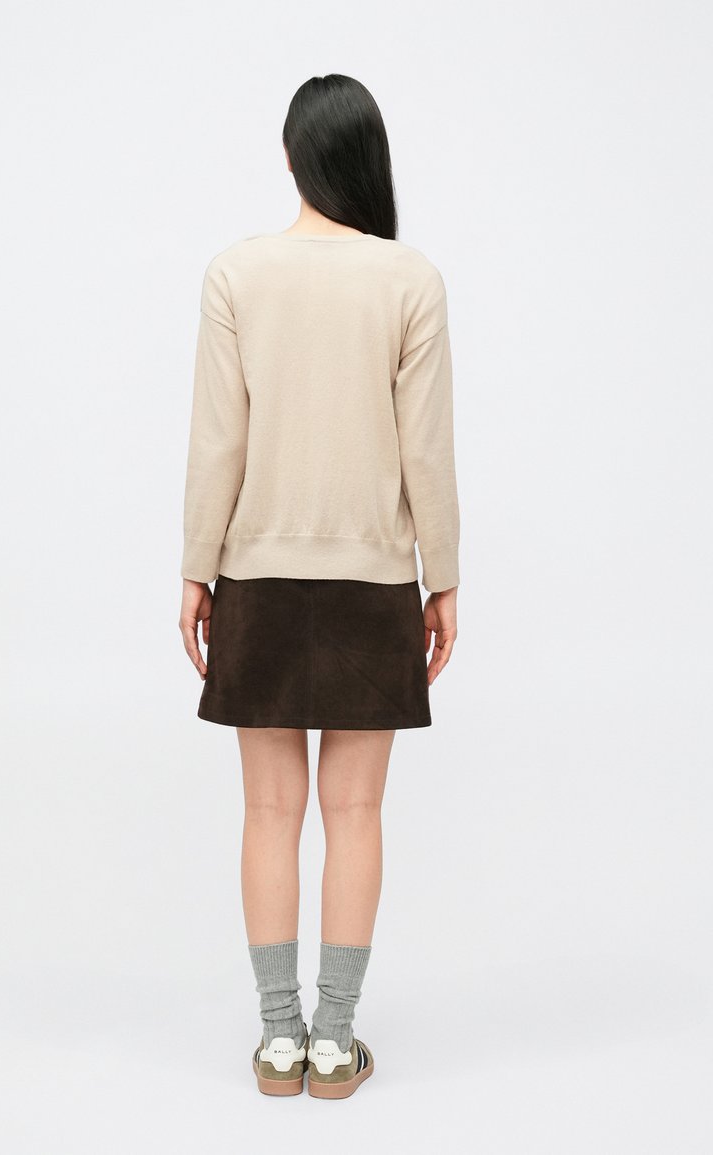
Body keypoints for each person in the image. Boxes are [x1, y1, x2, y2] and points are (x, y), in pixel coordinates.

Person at [178, 73, 460, 1099]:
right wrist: (442, 577)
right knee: (356, 811)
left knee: (267, 811)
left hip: (254, 574)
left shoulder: (235, 274)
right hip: (372, 582)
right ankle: (335, 1042)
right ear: (368, 161)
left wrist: (195, 569)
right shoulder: (409, 279)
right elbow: (425, 451)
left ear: (291, 158)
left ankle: (276, 1041)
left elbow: (220, 440)